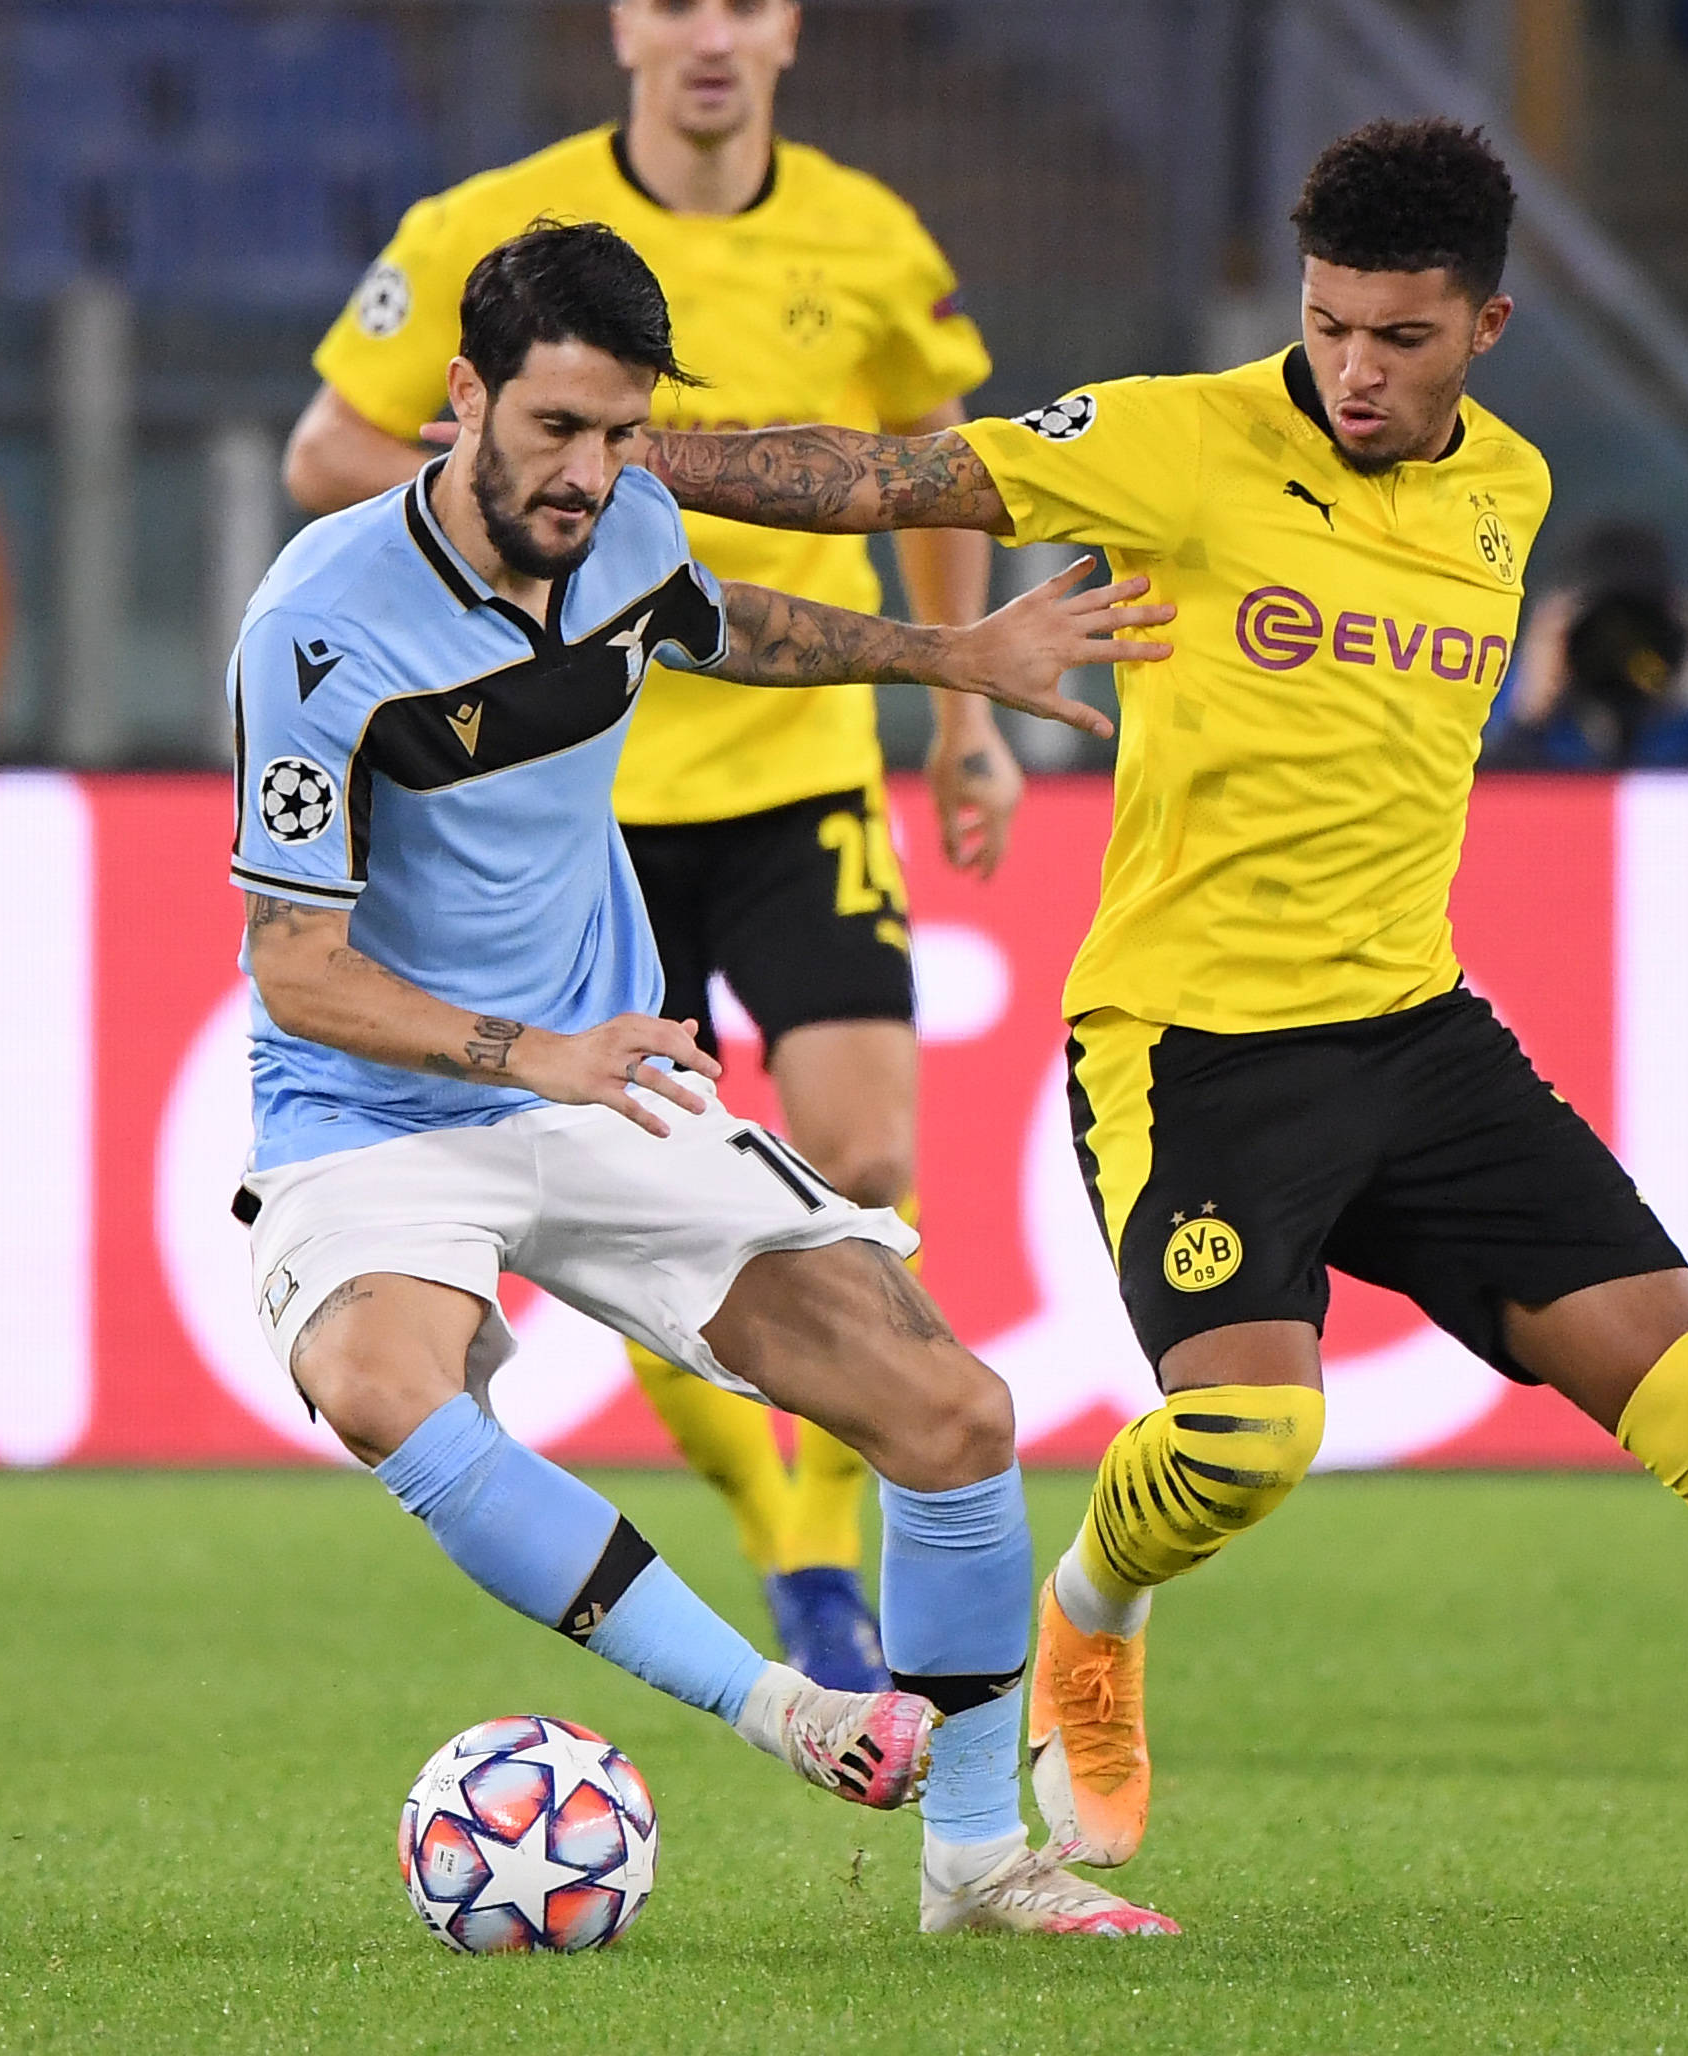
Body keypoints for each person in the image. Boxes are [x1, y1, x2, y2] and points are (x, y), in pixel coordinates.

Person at [627, 119, 1688, 1939]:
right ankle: (1090, 1615)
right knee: (1247, 1445)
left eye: (1399, 336)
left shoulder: (1509, 490)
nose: (1353, 370)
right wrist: (619, 450)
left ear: (1486, 327)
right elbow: (882, 476)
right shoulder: (1175, 438)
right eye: (1326, 327)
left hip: (1419, 1037)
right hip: (1195, 1051)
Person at [234, 222, 1177, 1937]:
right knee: (379, 1383)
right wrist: (533, 1054)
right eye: (556, 430)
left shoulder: (625, 526)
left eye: (621, 435)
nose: (589, 475)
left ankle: (975, 1860)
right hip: (377, 1113)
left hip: (603, 1089)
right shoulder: (317, 626)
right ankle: (777, 1704)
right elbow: (295, 967)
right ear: (463, 398)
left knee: (954, 1416)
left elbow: (716, 622)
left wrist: (952, 661)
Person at [282, 0, 1015, 1690]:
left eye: (742, 2)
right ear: (622, 23)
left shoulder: (870, 236)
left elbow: (928, 476)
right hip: (579, 802)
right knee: (650, 1163)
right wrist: (490, 528)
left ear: (788, 30)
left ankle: (824, 1529)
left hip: (798, 769)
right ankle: (791, 1552)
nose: (709, 36)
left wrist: (963, 713)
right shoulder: (488, 232)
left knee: (863, 1154)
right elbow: (329, 448)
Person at [1481, 520, 1688, 769]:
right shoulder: (1518, 703)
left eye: (1638, 628)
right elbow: (1484, 809)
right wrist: (1527, 717)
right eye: (1601, 630)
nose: (1619, 651)